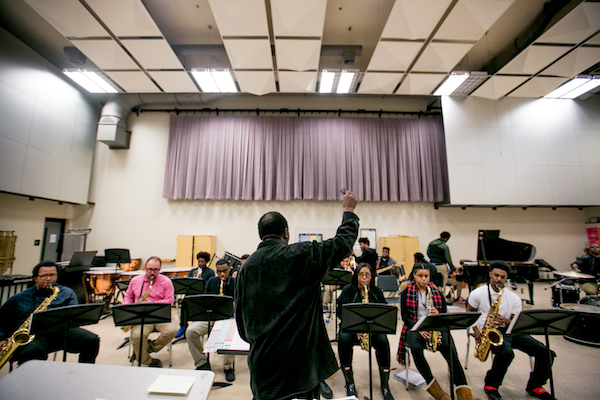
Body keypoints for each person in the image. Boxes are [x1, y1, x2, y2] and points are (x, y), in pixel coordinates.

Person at [236, 191, 359, 400]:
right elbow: (343, 243)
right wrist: (348, 211)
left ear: (260, 235)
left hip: (263, 364)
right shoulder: (301, 255)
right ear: (286, 233)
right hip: (301, 364)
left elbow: (241, 324)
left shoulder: (245, 269)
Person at [466, 261, 555, 400]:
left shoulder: (513, 298)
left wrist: (506, 321)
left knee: (546, 353)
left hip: (511, 330)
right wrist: (476, 330)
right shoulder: (478, 293)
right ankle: (492, 385)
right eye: (496, 275)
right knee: (506, 353)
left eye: (502, 277)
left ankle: (535, 385)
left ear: (506, 278)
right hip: (489, 331)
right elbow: (469, 312)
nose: (498, 279)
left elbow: (517, 320)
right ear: (490, 274)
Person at [397, 263, 478, 400]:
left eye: (426, 276)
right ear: (414, 276)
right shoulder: (407, 292)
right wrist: (418, 327)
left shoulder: (436, 292)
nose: (423, 279)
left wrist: (438, 313)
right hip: (415, 327)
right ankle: (438, 392)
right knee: (416, 348)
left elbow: (444, 313)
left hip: (435, 326)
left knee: (450, 349)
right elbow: (405, 316)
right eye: (420, 276)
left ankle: (463, 391)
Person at [0, 261, 99, 365]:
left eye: (52, 275)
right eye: (44, 276)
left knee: (91, 340)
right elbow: (1, 318)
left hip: (61, 332)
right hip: (35, 336)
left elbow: (74, 318)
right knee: (34, 351)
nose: (48, 279)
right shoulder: (20, 298)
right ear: (35, 279)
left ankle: (83, 372)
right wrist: (1, 339)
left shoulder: (67, 293)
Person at [337, 263, 394, 400]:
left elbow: (384, 313)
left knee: (383, 342)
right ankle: (349, 382)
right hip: (352, 329)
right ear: (356, 276)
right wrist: (354, 327)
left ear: (371, 277)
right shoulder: (348, 290)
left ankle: (385, 384)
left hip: (372, 330)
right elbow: (340, 312)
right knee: (343, 339)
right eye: (361, 274)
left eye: (367, 275)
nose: (364, 278)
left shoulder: (376, 292)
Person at [186, 259, 236, 381]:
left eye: (224, 271)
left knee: (231, 333)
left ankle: (228, 367)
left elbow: (242, 303)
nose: (222, 275)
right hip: (211, 318)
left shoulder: (236, 283)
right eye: (219, 272)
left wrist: (233, 304)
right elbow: (205, 300)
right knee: (190, 331)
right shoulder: (212, 281)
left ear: (229, 269)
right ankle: (202, 362)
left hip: (228, 319)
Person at [123, 256, 177, 368]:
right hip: (141, 316)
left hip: (159, 315)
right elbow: (128, 296)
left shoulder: (166, 282)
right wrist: (127, 308)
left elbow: (170, 300)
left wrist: (152, 302)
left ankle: (145, 349)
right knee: (138, 335)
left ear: (160, 269)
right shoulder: (135, 281)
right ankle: (147, 361)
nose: (152, 272)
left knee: (172, 331)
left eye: (155, 270)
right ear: (145, 268)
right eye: (149, 269)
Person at [427, 232, 464, 302]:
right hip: (441, 266)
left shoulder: (431, 243)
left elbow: (428, 253)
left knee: (432, 282)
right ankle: (441, 300)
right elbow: (448, 259)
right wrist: (454, 269)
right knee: (442, 284)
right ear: (447, 238)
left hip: (431, 266)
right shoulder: (444, 247)